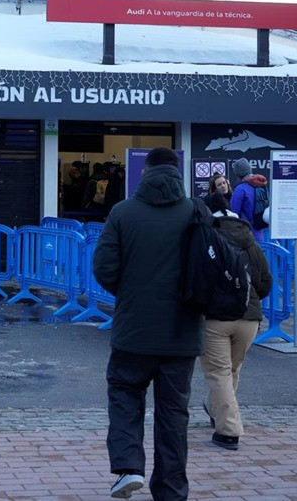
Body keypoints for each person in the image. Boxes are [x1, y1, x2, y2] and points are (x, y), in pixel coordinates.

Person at [92, 146, 202, 500]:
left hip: (133, 330)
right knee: (174, 413)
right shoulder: (196, 212)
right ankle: (171, 490)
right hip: (182, 333)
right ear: (178, 173)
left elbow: (104, 269)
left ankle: (128, 468)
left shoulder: (123, 212)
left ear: (145, 172)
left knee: (124, 394)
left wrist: (131, 291)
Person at [199, 191, 274, 452]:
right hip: (249, 317)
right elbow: (265, 282)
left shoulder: (205, 238)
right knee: (231, 370)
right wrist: (250, 299)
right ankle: (216, 410)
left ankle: (228, 431)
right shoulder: (250, 240)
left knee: (218, 373)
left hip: (215, 318)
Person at [229, 158, 269, 242]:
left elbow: (233, 213)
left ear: (237, 174)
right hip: (260, 233)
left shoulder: (240, 189)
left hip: (245, 235)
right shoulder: (260, 185)